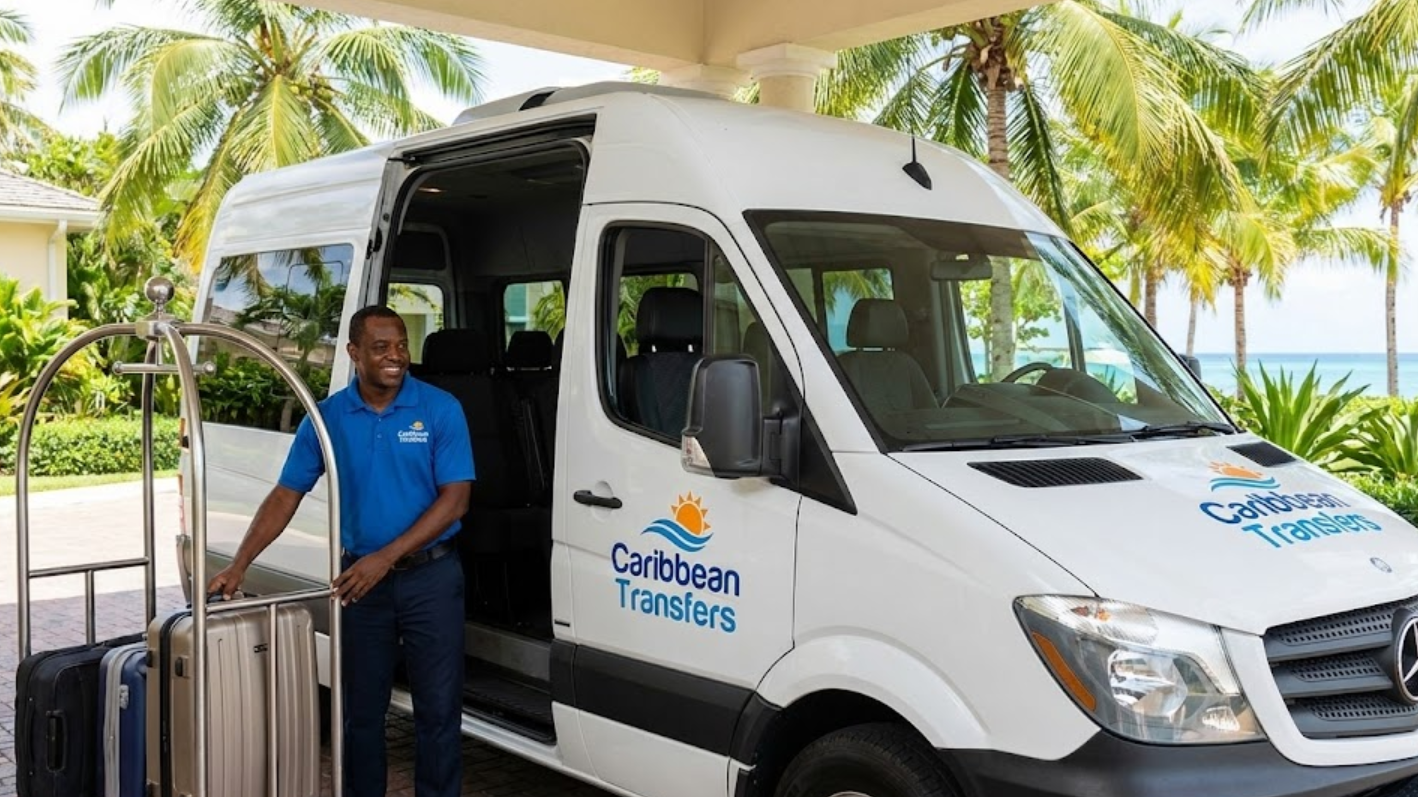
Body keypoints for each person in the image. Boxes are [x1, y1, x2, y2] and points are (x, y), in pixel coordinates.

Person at [208, 305, 474, 797]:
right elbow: (286, 495)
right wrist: (239, 563)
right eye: (381, 348)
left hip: (430, 581)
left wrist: (386, 557)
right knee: (360, 715)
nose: (395, 357)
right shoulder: (327, 418)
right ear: (354, 354)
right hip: (361, 585)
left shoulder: (440, 409)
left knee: (438, 713)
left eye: (401, 345)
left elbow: (455, 500)